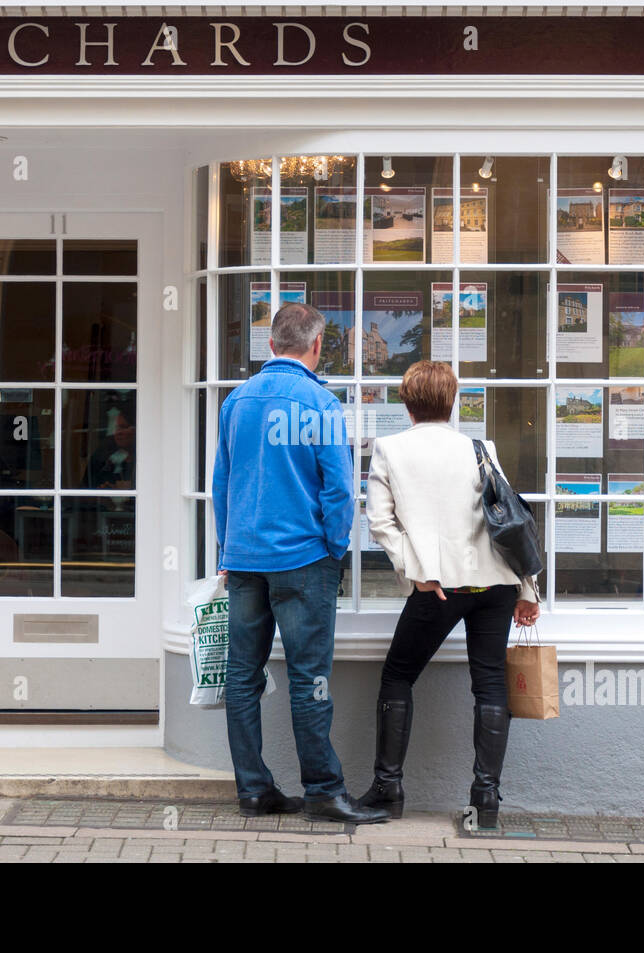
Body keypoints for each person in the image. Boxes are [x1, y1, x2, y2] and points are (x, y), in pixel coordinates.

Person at [213, 302, 390, 825]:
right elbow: (339, 488)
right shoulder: (320, 403)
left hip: (244, 558)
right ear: (316, 346)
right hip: (304, 558)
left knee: (241, 677)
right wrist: (334, 549)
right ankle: (323, 791)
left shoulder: (236, 403)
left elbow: (220, 483)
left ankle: (253, 791)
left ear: (270, 345)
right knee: (309, 676)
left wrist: (227, 546)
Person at [358, 360, 541, 828]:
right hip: (494, 585)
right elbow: (510, 522)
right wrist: (527, 588)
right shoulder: (481, 448)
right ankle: (486, 800)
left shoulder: (390, 449)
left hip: (438, 587)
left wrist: (417, 572)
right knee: (490, 685)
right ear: (452, 400)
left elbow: (381, 523)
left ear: (406, 401)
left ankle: (388, 789)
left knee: (398, 677)